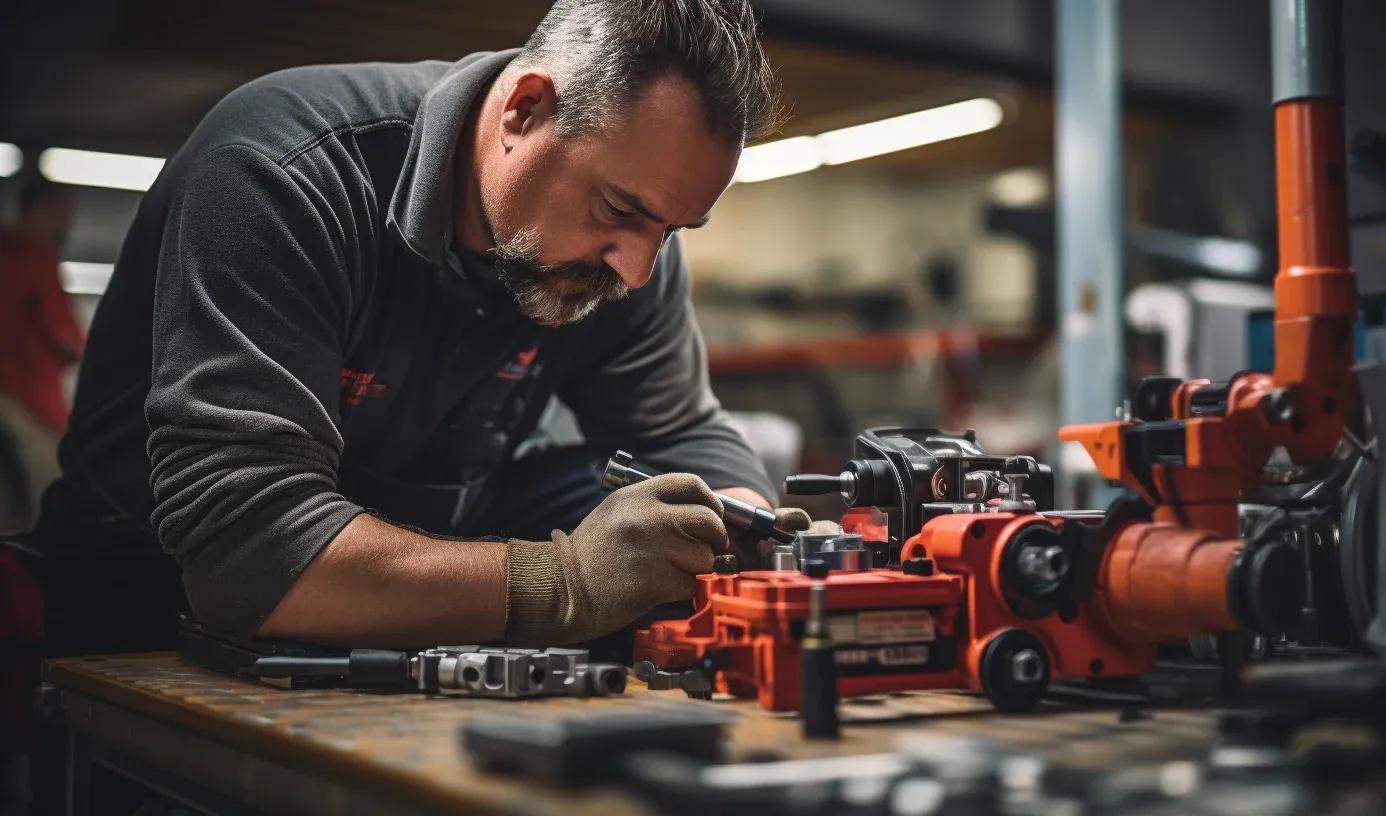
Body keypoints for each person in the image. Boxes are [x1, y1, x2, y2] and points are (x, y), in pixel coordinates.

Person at [29, 0, 799, 658]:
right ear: (524, 110)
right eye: (621, 211)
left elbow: (681, 430)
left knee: (646, 509)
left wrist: (738, 531)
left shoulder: (627, 251)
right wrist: (565, 582)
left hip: (430, 576)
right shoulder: (286, 172)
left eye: (674, 227)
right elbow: (250, 552)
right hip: (149, 598)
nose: (637, 269)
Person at [0, 178, 83, 535]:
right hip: (23, 399)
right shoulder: (34, 256)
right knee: (53, 498)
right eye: (64, 214)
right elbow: (65, 338)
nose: (67, 224)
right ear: (43, 210)